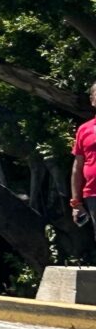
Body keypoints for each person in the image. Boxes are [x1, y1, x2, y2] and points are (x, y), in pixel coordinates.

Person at [70, 83, 96, 251]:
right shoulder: (84, 129)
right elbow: (77, 167)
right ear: (93, 100)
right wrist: (76, 203)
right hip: (93, 193)